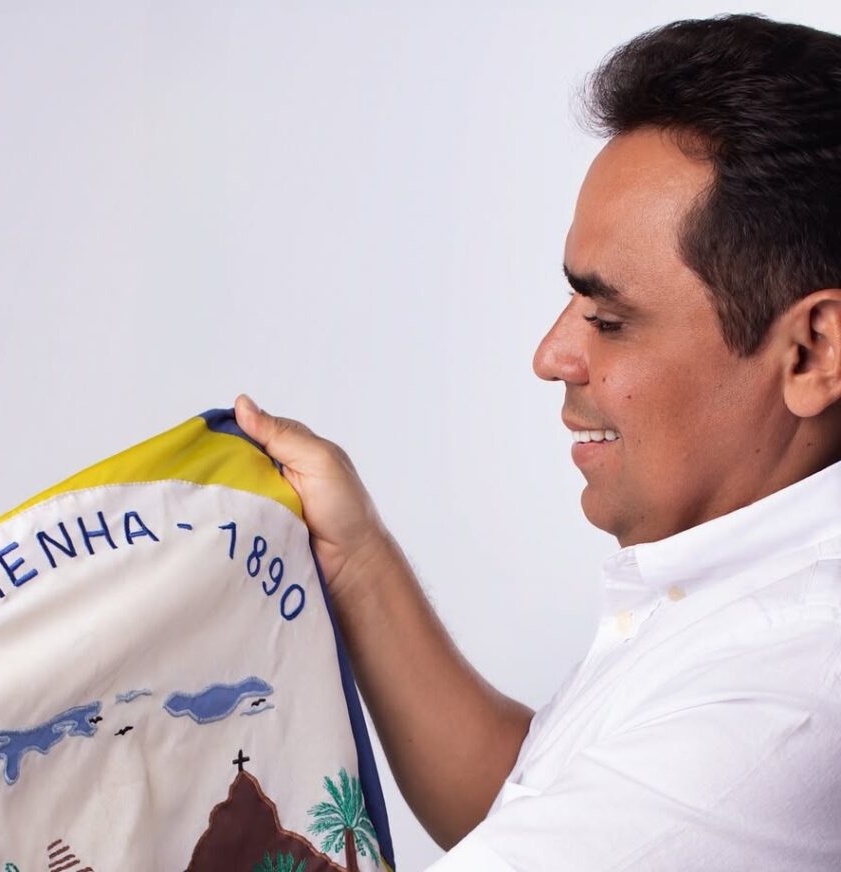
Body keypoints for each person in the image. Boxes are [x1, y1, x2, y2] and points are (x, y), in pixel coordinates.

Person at [233, 13, 841, 869]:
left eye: (610, 319)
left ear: (813, 351)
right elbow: (552, 803)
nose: (551, 355)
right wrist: (357, 559)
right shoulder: (748, 609)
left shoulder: (784, 703)